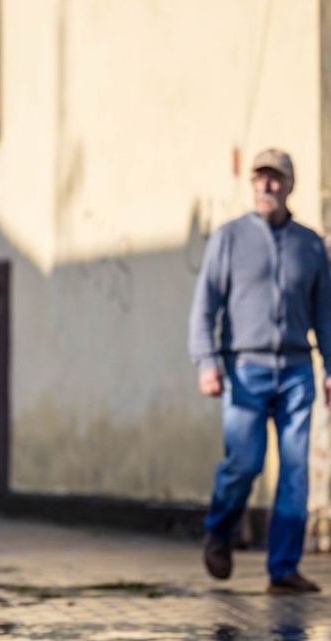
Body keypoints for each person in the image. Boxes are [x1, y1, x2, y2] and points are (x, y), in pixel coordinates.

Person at [189, 148, 331, 594]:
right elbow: (205, 305)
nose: (266, 186)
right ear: (252, 185)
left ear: (290, 185)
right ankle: (220, 530)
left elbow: (325, 313)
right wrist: (207, 361)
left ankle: (283, 570)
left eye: (275, 179)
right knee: (245, 462)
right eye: (259, 179)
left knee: (294, 472)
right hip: (243, 367)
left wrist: (330, 365)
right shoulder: (228, 238)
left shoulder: (310, 245)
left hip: (295, 370)